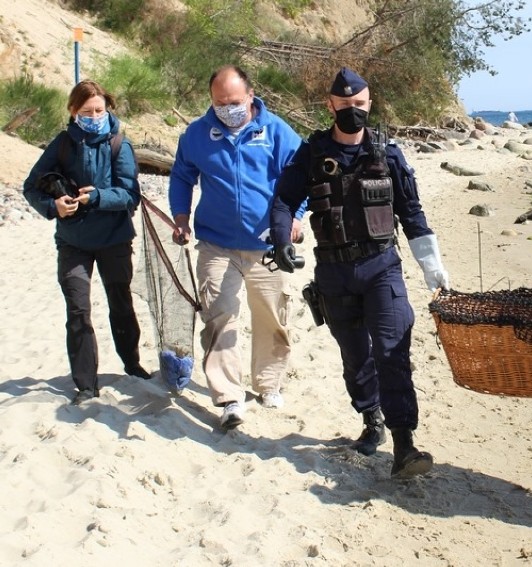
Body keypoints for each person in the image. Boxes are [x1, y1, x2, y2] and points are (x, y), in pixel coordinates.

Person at [270, 67, 450, 479]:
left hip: (382, 267)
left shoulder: (389, 154)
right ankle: (372, 418)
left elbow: (412, 213)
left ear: (369, 104)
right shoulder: (311, 154)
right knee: (356, 357)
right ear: (330, 105)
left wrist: (432, 267)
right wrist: (281, 239)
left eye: (360, 104)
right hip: (334, 274)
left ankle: (404, 443)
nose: (353, 110)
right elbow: (284, 200)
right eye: (344, 105)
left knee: (392, 350)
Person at [169, 65, 304, 430]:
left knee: (272, 317)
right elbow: (182, 176)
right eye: (219, 103)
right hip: (216, 243)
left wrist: (295, 218)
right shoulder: (197, 135)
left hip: (268, 245)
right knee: (219, 316)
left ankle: (269, 384)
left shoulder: (276, 131)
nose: (227, 109)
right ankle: (229, 397)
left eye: (233, 102)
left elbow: (300, 177)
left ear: (250, 95)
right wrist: (180, 218)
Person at [23, 80, 151, 405]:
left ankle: (133, 364)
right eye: (86, 111)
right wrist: (53, 207)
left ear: (108, 107)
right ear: (73, 111)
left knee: (120, 302)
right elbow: (31, 186)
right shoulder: (63, 143)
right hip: (73, 242)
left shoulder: (120, 143)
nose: (94, 116)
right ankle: (85, 385)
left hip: (115, 239)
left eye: (99, 109)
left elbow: (130, 195)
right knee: (78, 310)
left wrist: (98, 198)